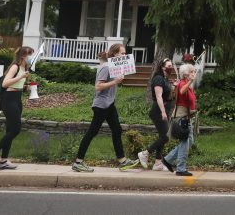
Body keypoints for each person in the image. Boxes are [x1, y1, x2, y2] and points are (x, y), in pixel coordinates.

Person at [72, 43, 140, 172]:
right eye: (123, 53)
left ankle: (122, 161)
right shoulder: (105, 67)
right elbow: (98, 86)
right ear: (115, 54)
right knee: (92, 132)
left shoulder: (114, 67)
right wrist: (115, 82)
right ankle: (78, 162)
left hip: (109, 104)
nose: (125, 55)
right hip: (101, 105)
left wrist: (118, 80)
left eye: (125, 53)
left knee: (117, 130)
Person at [0, 45, 32, 169]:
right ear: (23, 55)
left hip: (17, 98)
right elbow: (5, 83)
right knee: (15, 129)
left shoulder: (24, 67)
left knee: (9, 130)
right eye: (29, 54)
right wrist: (21, 77)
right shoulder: (15, 67)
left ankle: (4, 160)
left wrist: (25, 86)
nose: (30, 57)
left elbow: (16, 84)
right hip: (9, 99)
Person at [138, 57, 176, 170]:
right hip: (158, 111)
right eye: (169, 66)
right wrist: (163, 112)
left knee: (163, 136)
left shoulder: (165, 79)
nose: (171, 68)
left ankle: (158, 163)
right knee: (165, 137)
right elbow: (159, 97)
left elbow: (168, 96)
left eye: (171, 66)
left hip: (164, 111)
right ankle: (145, 153)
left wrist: (174, 86)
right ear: (162, 67)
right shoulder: (158, 79)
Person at [162, 62, 197, 177]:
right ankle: (181, 168)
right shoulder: (183, 84)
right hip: (182, 118)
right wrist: (191, 81)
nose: (194, 73)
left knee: (189, 141)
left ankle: (168, 159)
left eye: (194, 71)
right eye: (191, 71)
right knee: (184, 142)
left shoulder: (187, 84)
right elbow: (182, 91)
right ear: (186, 74)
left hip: (186, 117)